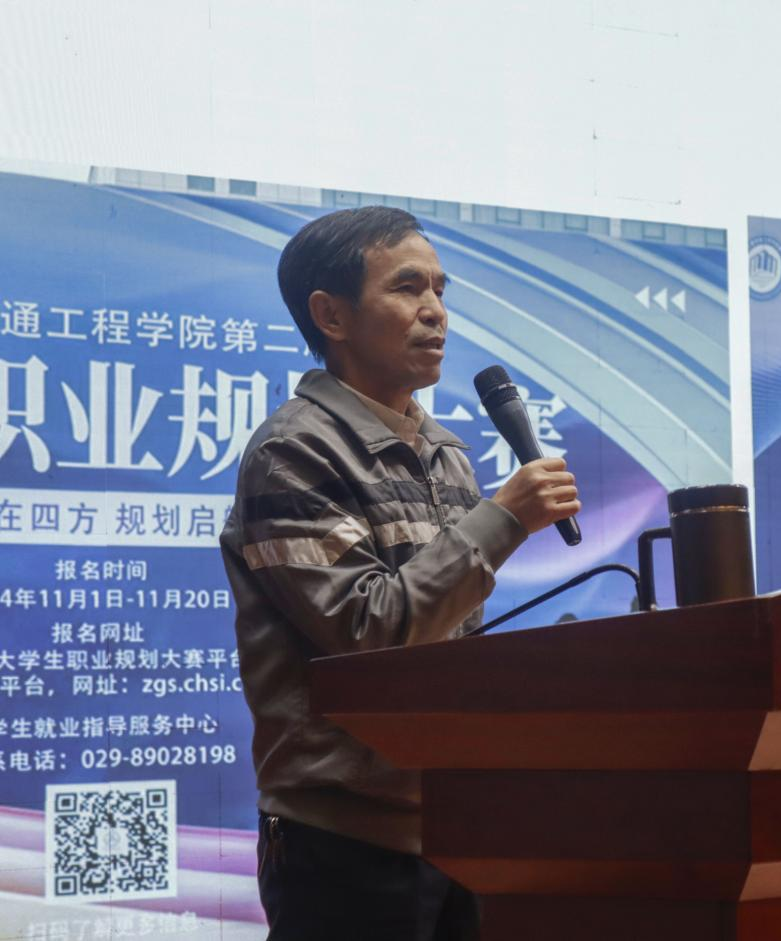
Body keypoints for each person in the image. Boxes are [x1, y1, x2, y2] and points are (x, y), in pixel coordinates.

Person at [218, 206, 579, 940]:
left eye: (441, 290)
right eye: (408, 288)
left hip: (455, 824)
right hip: (343, 840)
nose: (436, 311)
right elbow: (371, 630)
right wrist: (504, 517)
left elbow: (449, 639)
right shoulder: (293, 453)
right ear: (331, 315)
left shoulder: (445, 453)